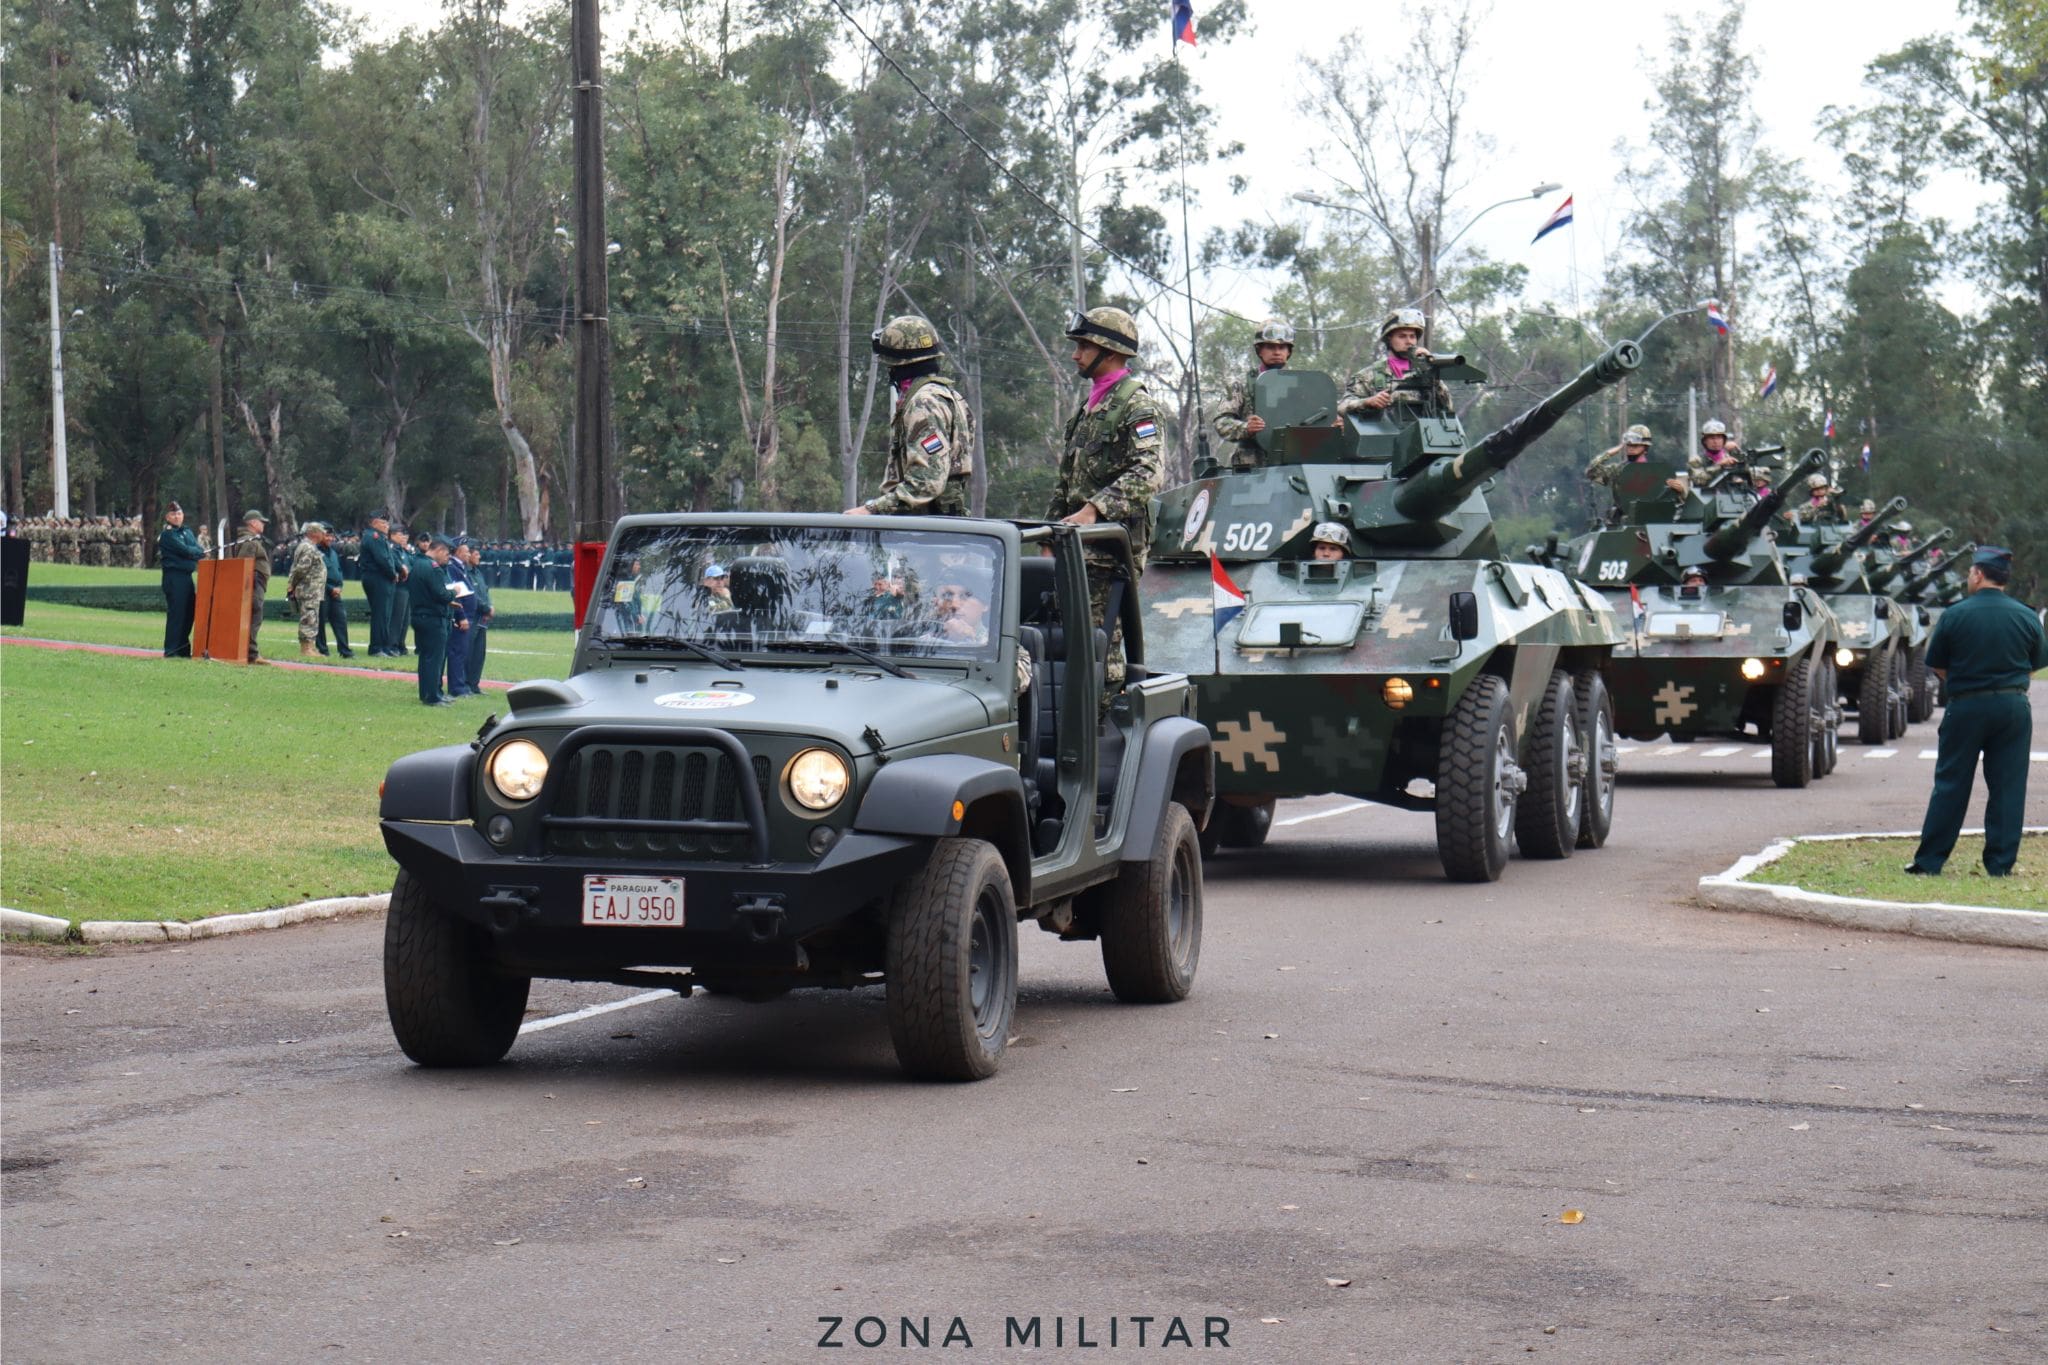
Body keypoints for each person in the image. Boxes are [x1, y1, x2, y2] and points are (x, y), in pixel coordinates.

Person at [1905, 546, 2048, 878]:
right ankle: (2000, 864)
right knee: (2008, 785)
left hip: (1966, 705)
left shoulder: (1955, 615)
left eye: (1970, 572)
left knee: (1951, 782)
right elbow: (2034, 664)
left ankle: (1930, 861)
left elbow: (1938, 665)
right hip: (2012, 707)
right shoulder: (2026, 615)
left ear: (1978, 574)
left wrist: (1967, 683)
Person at [1048, 306, 1166, 699]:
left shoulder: (1137, 405)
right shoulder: (1091, 407)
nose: (1075, 355)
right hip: (1075, 543)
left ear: (1109, 352)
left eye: (1083, 346)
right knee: (1069, 640)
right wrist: (1048, 531)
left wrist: (1094, 511)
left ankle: (1101, 725)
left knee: (1101, 645)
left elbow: (1149, 472)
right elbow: (1069, 479)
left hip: (1108, 549)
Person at [846, 316, 976, 517]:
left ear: (896, 364)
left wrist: (871, 509)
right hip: (943, 529)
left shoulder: (924, 403)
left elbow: (928, 481)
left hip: (924, 533)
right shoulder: (949, 396)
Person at [1338, 308, 1453, 418]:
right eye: (1402, 336)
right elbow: (1342, 407)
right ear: (1389, 339)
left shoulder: (1425, 374)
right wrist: (1368, 402)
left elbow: (1447, 408)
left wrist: (1431, 370)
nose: (1409, 342)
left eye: (1412, 336)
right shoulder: (1368, 376)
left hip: (1421, 436)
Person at [1213, 319, 1296, 470]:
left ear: (1289, 351)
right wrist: (1246, 428)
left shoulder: (1301, 383)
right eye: (1270, 347)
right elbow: (1221, 422)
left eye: (1282, 347)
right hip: (1252, 466)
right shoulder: (1240, 385)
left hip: (1293, 462)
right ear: (1259, 350)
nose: (1277, 352)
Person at [408, 534, 461, 706]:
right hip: (432, 618)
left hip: (420, 615)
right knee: (434, 659)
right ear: (438, 550)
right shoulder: (433, 568)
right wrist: (455, 592)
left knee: (426, 658)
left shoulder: (418, 564)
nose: (448, 558)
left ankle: (430, 692)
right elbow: (442, 593)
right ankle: (432, 696)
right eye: (446, 554)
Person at [158, 502, 202, 658]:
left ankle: (183, 648)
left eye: (179, 513)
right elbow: (186, 550)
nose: (177, 517)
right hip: (174, 577)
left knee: (188, 613)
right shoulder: (168, 535)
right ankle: (172, 649)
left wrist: (193, 553)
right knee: (177, 614)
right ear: (167, 517)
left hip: (187, 577)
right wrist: (192, 553)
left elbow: (199, 550)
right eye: (173, 514)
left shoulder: (187, 532)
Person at [230, 509, 272, 664]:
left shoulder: (251, 540)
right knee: (254, 617)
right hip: (253, 584)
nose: (263, 525)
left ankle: (250, 652)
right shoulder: (250, 542)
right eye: (261, 522)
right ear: (253, 523)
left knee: (254, 617)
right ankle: (252, 653)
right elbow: (244, 565)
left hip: (255, 583)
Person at [358, 511, 400, 656]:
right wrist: (392, 573)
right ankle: (376, 647)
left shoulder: (380, 537)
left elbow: (389, 558)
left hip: (381, 578)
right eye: (383, 523)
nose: (387, 526)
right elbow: (382, 559)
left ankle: (384, 646)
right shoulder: (374, 537)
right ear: (374, 523)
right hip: (377, 577)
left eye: (387, 523)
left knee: (385, 614)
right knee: (380, 614)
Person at [287, 521, 328, 659]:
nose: (324, 535)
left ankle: (311, 646)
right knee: (308, 617)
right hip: (308, 589)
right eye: (322, 532)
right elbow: (301, 569)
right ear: (314, 533)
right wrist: (292, 583)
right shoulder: (308, 548)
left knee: (312, 617)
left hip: (312, 589)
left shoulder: (308, 546)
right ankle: (306, 648)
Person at [459, 540, 494, 695]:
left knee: (479, 653)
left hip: (482, 619)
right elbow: (472, 595)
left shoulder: (478, 572)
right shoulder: (465, 572)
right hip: (472, 616)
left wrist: (490, 606)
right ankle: (465, 683)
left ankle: (474, 684)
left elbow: (485, 592)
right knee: (468, 652)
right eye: (476, 553)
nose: (479, 556)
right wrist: (486, 608)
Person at [444, 538, 477, 695]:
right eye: (466, 551)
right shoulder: (452, 567)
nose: (468, 554)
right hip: (460, 617)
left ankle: (461, 685)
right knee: (457, 652)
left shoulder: (461, 567)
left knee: (462, 652)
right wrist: (461, 616)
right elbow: (455, 595)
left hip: (468, 615)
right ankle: (456, 687)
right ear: (457, 551)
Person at [317, 524, 353, 657]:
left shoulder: (333, 552)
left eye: (331, 535)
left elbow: (338, 571)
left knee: (340, 620)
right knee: (320, 621)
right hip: (322, 590)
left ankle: (345, 650)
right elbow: (316, 575)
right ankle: (322, 650)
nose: (330, 538)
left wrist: (340, 587)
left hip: (335, 592)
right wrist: (331, 588)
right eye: (327, 535)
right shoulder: (314, 551)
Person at [1586, 425, 1655, 487]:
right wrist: (1608, 454)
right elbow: (1591, 472)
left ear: (1645, 447)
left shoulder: (1655, 472)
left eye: (1635, 445)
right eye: (1628, 445)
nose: (1630, 448)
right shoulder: (1619, 469)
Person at [388, 527, 415, 656]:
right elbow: (397, 565)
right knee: (397, 618)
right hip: (399, 586)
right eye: (401, 535)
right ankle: (392, 645)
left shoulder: (404, 551)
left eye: (405, 536)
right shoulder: (393, 549)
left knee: (405, 619)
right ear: (392, 535)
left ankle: (400, 644)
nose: (403, 538)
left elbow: (411, 565)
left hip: (408, 586)